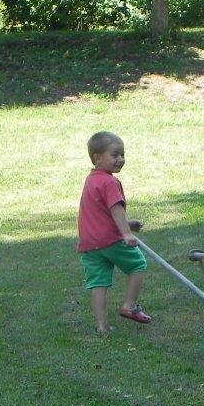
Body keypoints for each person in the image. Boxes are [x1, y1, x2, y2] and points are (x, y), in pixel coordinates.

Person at [77, 131, 152, 334]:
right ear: (97, 158)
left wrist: (128, 224)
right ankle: (129, 306)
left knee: (98, 283)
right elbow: (115, 209)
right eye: (115, 155)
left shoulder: (91, 180)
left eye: (122, 155)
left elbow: (100, 214)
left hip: (89, 244)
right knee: (137, 265)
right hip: (110, 240)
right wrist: (126, 234)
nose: (120, 159)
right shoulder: (110, 182)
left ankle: (101, 326)